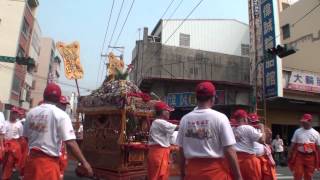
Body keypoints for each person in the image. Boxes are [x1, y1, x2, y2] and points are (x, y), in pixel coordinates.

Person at [23, 83, 93, 180]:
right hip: (48, 165)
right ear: (58, 99)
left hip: (32, 162)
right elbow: (71, 143)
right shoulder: (61, 115)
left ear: (44, 95)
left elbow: (26, 137)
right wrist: (84, 162)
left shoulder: (31, 113)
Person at [177, 82, 242, 180]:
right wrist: (238, 177)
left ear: (196, 98)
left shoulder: (185, 119)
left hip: (192, 173)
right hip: (214, 173)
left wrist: (182, 173)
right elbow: (229, 150)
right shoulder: (220, 117)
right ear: (213, 98)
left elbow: (181, 151)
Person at [147, 101, 178, 180]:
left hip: (159, 152)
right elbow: (178, 127)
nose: (169, 113)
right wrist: (190, 123)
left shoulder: (158, 122)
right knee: (157, 177)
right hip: (159, 153)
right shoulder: (159, 122)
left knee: (159, 176)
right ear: (162, 112)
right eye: (168, 111)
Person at [233, 109, 265, 180]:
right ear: (245, 118)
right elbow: (262, 140)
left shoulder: (232, 130)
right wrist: (262, 128)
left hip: (235, 161)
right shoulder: (248, 128)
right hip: (248, 161)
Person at [288, 114, 320, 180]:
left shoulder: (316, 133)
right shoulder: (297, 131)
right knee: (298, 173)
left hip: (311, 157)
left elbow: (318, 147)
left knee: (309, 175)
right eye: (302, 122)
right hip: (299, 156)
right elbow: (293, 143)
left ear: (310, 121)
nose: (303, 123)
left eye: (304, 122)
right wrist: (289, 153)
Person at [248, 113, 277, 180]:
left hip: (263, 157)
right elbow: (262, 140)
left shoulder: (261, 129)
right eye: (252, 122)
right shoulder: (248, 130)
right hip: (253, 159)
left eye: (256, 122)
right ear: (248, 122)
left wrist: (268, 134)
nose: (254, 124)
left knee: (267, 176)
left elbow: (267, 141)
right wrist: (262, 129)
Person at [2, 107, 24, 180]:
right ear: (10, 113)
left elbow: (21, 137)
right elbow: (2, 135)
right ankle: (4, 175)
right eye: (13, 113)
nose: (14, 114)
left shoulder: (19, 124)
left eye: (15, 113)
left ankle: (6, 176)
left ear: (17, 115)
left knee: (10, 162)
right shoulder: (5, 123)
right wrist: (2, 145)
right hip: (6, 144)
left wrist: (19, 148)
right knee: (5, 162)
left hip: (15, 144)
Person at [57, 95, 71, 179]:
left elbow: (66, 138)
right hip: (51, 152)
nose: (64, 106)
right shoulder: (54, 114)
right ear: (58, 104)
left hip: (61, 147)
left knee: (60, 172)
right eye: (62, 104)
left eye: (65, 104)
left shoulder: (65, 117)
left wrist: (64, 149)